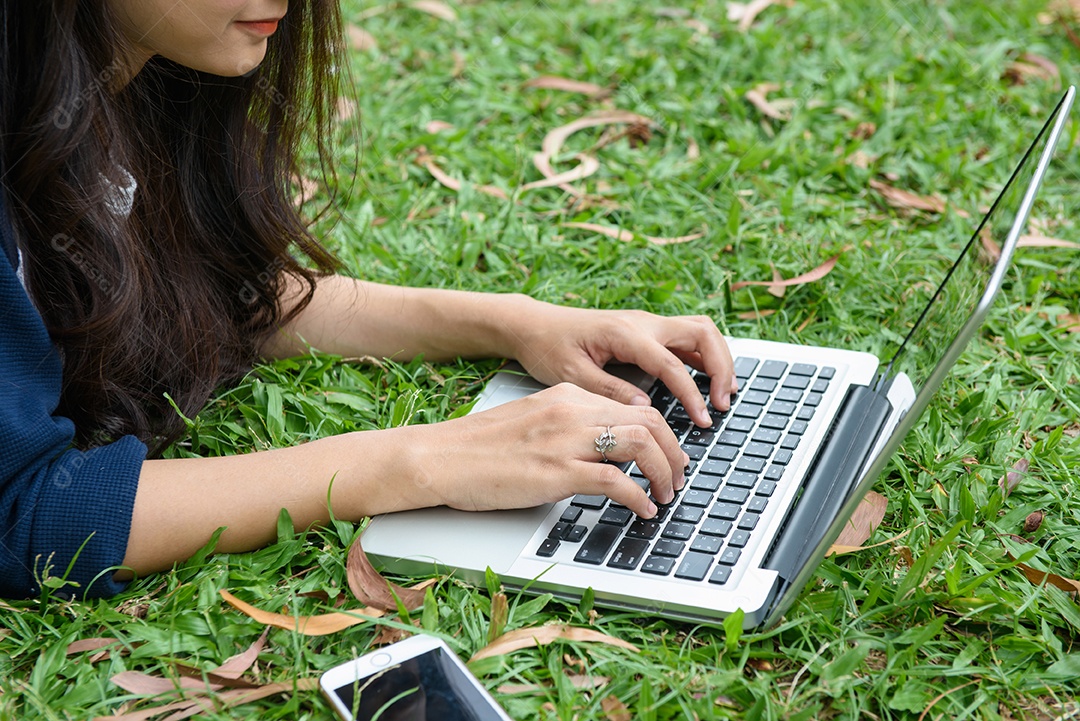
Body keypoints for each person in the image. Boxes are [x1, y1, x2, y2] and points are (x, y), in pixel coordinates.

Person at [0, 0, 736, 599]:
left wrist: (518, 321)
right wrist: (421, 459)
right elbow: (23, 509)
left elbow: (228, 300)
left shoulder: (138, 75)